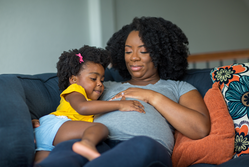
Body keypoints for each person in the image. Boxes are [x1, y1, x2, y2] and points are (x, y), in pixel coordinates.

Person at [34, 17, 211, 167]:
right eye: (128, 51)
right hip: (96, 141)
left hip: (145, 145)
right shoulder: (102, 85)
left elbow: (199, 129)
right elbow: (75, 107)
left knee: (142, 145)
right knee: (68, 149)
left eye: (143, 51)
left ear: (161, 54)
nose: (133, 57)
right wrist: (44, 122)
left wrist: (151, 96)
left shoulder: (179, 88)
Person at [34, 45, 145, 164]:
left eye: (102, 80)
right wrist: (119, 105)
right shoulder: (75, 90)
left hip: (48, 138)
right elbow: (83, 108)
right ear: (74, 79)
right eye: (93, 79)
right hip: (57, 125)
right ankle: (87, 143)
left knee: (43, 163)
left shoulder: (89, 98)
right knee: (99, 128)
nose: (99, 84)